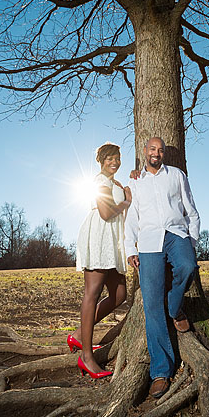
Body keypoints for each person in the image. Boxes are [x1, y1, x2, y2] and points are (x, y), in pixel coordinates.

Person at [124, 137, 200, 399]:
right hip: (148, 241)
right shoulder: (135, 180)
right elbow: (131, 217)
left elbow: (191, 210)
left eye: (160, 150)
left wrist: (191, 240)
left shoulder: (177, 175)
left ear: (164, 153)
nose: (156, 153)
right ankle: (160, 372)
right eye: (152, 149)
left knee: (188, 266)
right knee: (151, 305)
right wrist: (130, 249)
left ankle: (175, 307)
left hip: (177, 234)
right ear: (145, 152)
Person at [71, 142, 133, 378]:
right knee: (92, 292)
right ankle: (87, 357)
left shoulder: (115, 182)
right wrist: (126, 202)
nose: (114, 162)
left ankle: (78, 335)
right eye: (109, 158)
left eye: (117, 157)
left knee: (119, 295)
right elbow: (106, 213)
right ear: (100, 161)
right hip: (99, 236)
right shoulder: (100, 181)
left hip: (113, 240)